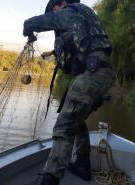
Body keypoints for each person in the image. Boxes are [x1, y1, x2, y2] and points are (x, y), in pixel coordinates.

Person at [23, 0, 115, 185]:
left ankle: (50, 179)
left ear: (62, 3)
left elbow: (40, 21)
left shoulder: (69, 11)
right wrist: (50, 53)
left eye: (54, 9)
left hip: (92, 75)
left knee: (64, 126)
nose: (56, 13)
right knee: (76, 120)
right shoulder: (86, 15)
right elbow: (79, 43)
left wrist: (28, 26)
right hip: (101, 74)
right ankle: (82, 164)